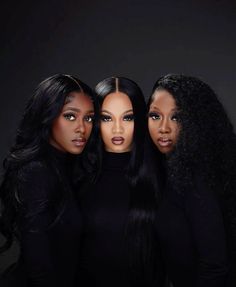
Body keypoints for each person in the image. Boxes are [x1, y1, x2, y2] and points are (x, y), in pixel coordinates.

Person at [0, 74, 96, 287]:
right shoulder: (36, 172)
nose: (82, 128)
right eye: (70, 116)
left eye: (89, 118)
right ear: (47, 116)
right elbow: (39, 265)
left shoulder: (67, 167)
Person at [147, 74, 236, 287]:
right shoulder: (170, 169)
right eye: (155, 116)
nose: (164, 128)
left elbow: (215, 267)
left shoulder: (196, 179)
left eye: (177, 117)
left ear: (196, 122)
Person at [78, 76, 166, 287]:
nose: (118, 129)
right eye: (107, 118)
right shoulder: (78, 175)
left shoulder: (161, 174)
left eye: (128, 118)